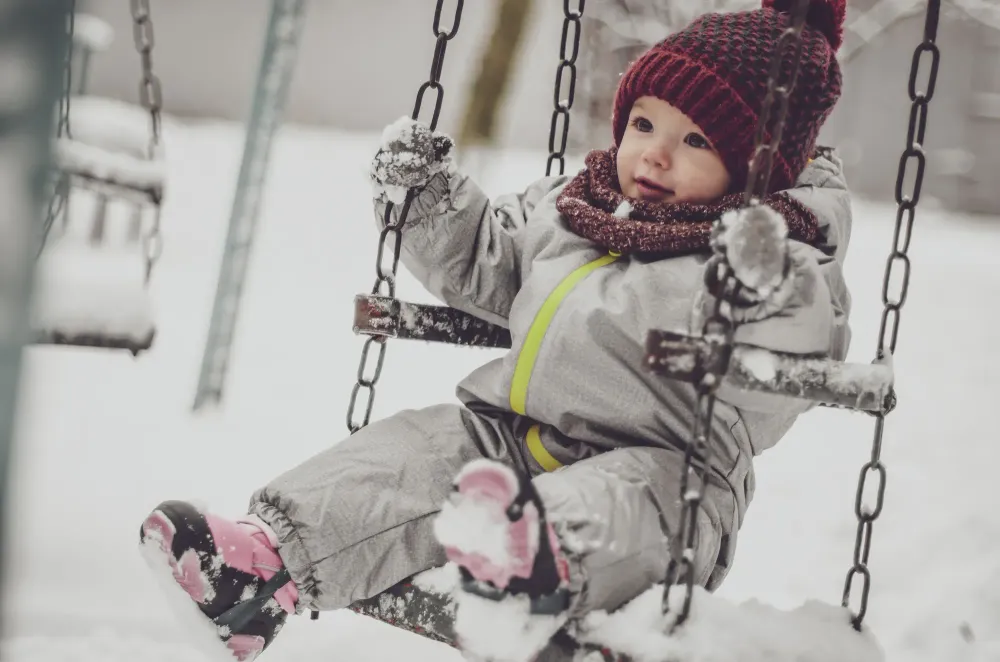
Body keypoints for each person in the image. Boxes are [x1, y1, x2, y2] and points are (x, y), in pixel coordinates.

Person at [139, 0, 852, 660]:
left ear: (755, 171)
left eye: (695, 140)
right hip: (515, 440)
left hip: (669, 475)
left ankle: (527, 566)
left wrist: (765, 282)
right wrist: (427, 202)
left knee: (623, 500)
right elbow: (490, 258)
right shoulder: (578, 208)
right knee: (413, 452)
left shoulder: (766, 258)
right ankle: (258, 572)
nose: (655, 155)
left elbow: (793, 355)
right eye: (643, 124)